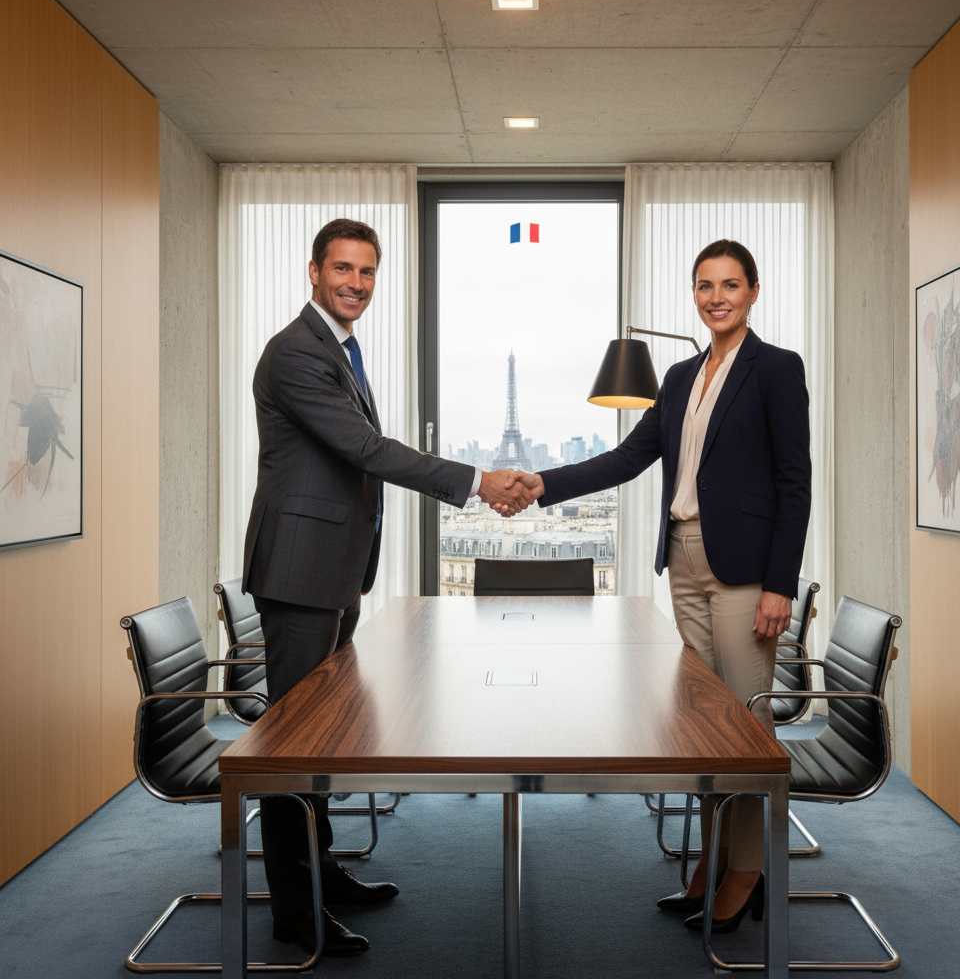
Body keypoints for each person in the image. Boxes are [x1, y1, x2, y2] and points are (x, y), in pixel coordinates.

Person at [242, 218, 532, 956]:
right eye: (343, 269)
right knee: (291, 747)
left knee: (317, 741)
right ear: (313, 271)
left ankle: (322, 873)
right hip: (301, 572)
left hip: (331, 569)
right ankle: (296, 912)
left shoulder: (337, 347)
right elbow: (363, 448)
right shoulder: (295, 354)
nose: (356, 283)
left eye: (367, 272)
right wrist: (476, 482)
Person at [507, 239, 811, 932]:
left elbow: (796, 483)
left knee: (747, 729)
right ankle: (711, 860)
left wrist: (779, 584)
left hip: (744, 571)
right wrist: (543, 484)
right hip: (684, 560)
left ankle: (749, 870)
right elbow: (627, 457)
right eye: (704, 286)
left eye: (730, 284)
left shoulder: (776, 370)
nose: (716, 297)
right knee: (706, 734)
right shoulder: (678, 378)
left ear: (754, 292)